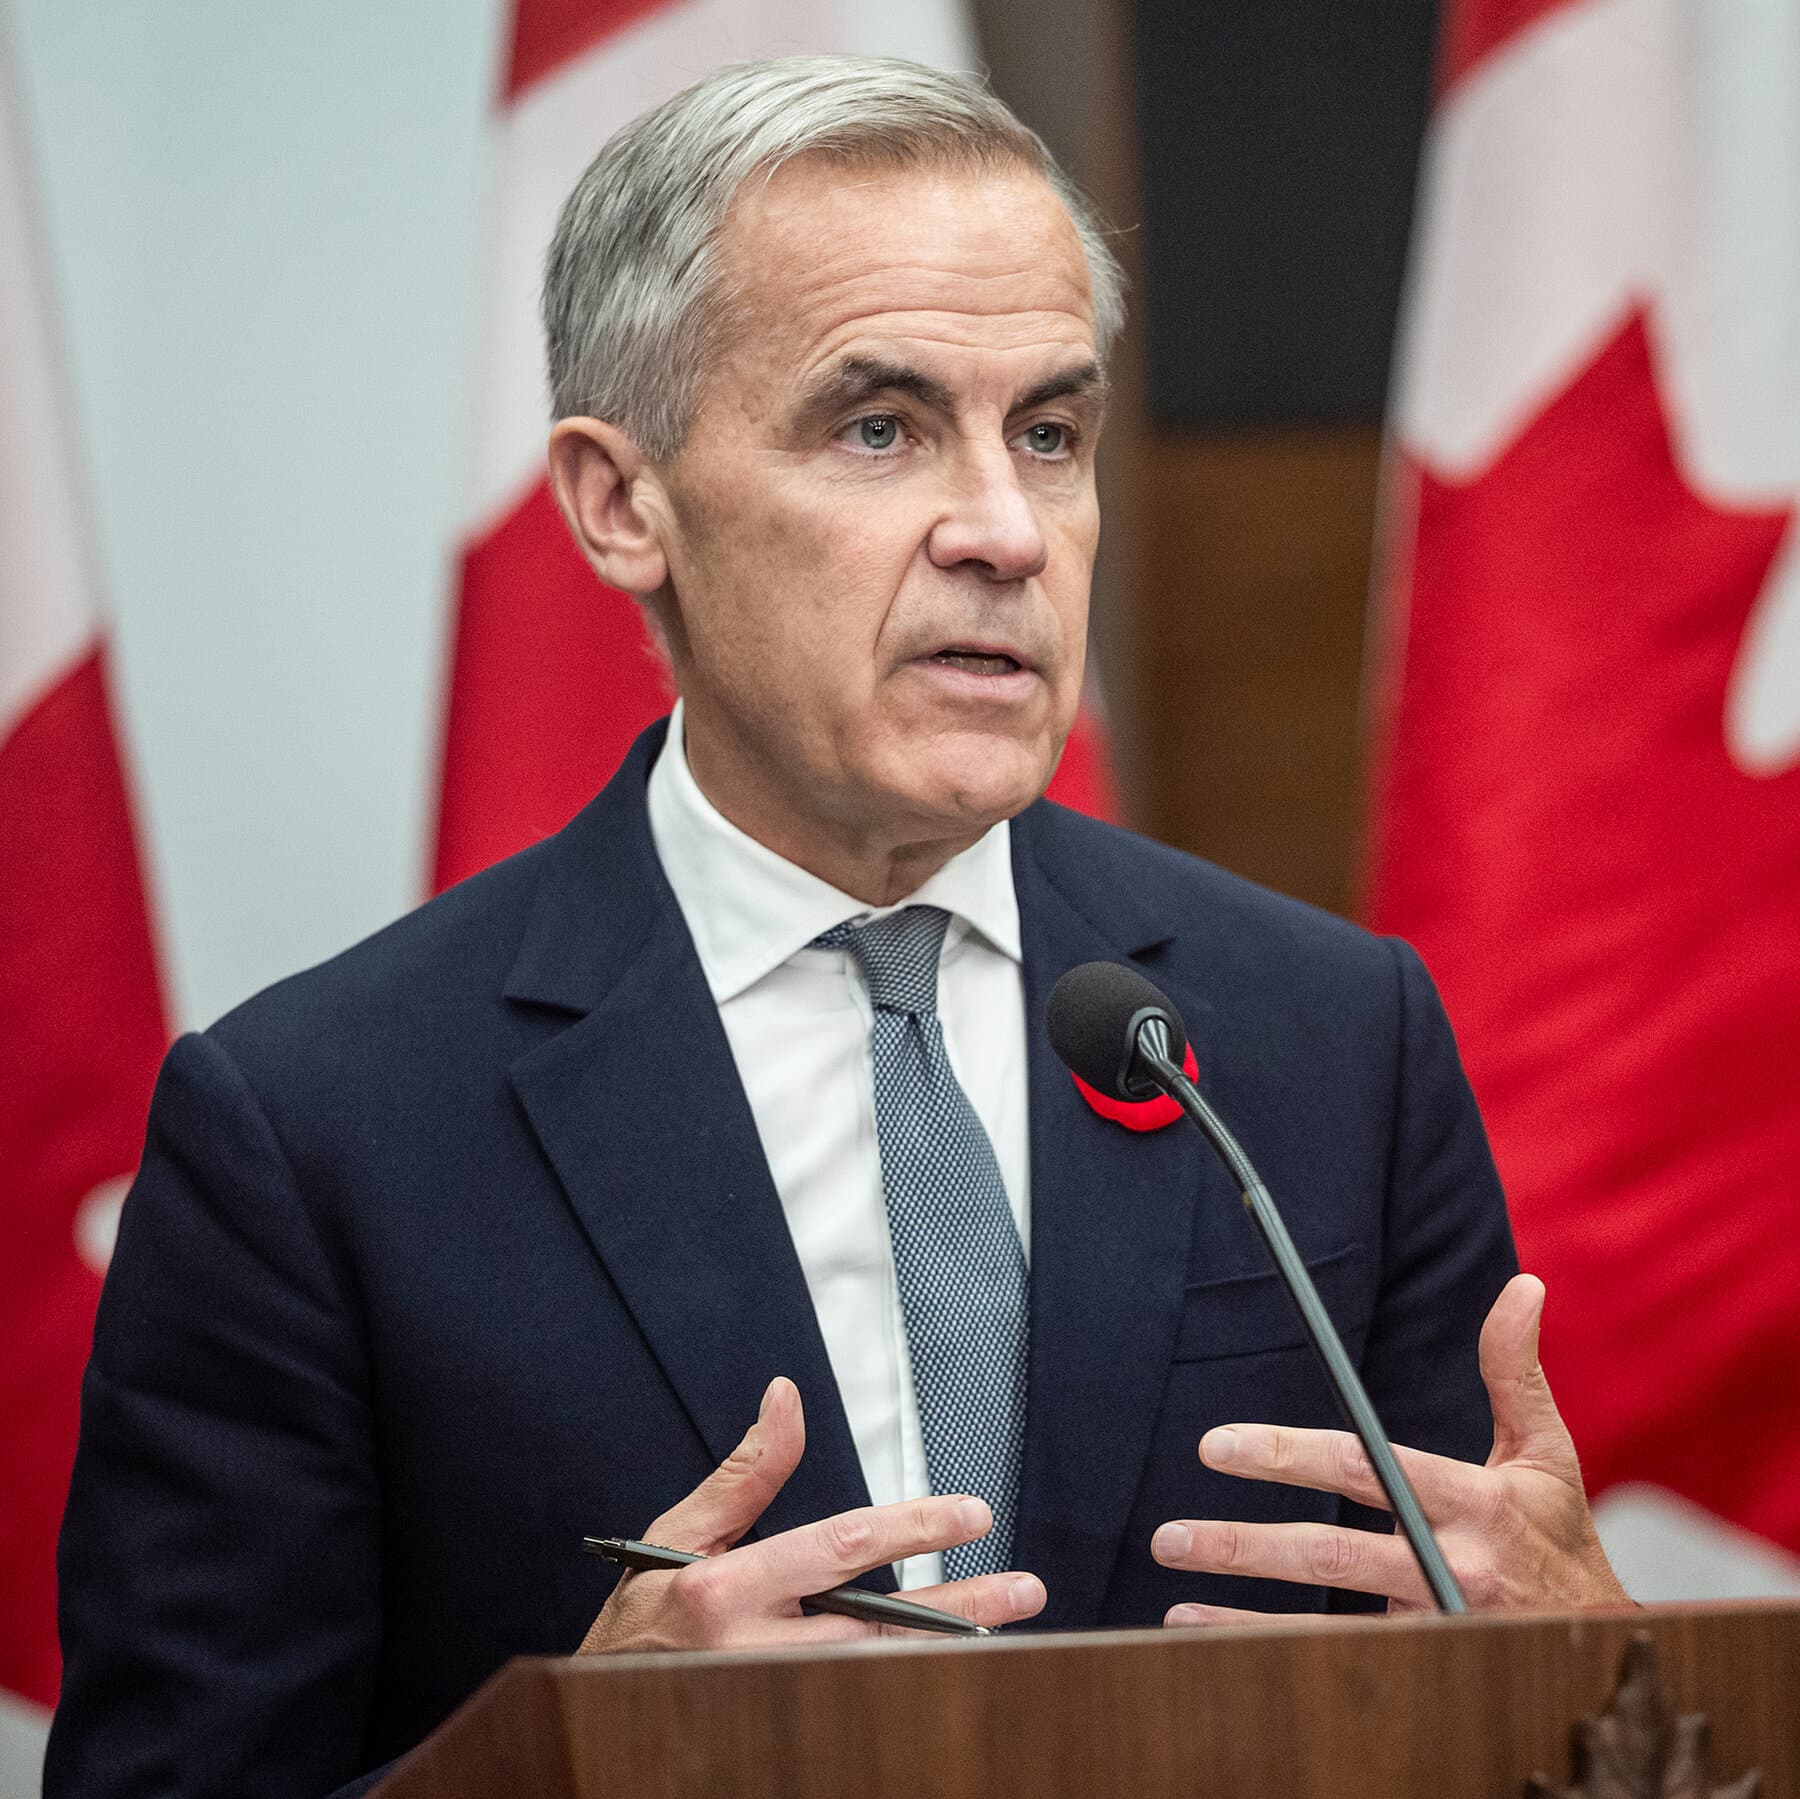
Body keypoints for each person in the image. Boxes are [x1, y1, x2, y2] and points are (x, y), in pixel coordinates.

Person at [45, 55, 1625, 1799]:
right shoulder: (316, 1133)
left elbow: (1500, 1695)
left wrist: (1579, 1664)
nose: (1008, 531)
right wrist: (564, 1759)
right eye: (879, 428)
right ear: (620, 502)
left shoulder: (1330, 1036)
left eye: (1050, 430)